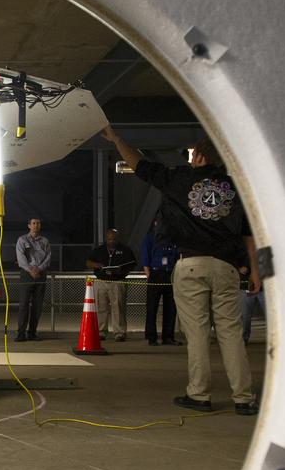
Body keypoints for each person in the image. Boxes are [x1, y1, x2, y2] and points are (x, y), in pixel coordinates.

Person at [102, 127, 261, 415]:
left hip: (190, 265)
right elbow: (249, 234)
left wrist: (116, 139)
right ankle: (244, 398)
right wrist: (255, 272)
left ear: (198, 155)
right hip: (226, 268)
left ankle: (200, 394)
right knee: (230, 333)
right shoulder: (235, 188)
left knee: (197, 333)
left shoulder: (179, 179)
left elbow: (140, 165)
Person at [86, 228, 136, 341]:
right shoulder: (99, 250)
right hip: (101, 282)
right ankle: (101, 331)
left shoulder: (125, 250)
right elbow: (88, 262)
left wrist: (121, 270)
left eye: (113, 239)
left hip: (117, 282)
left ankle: (119, 333)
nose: (111, 241)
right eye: (109, 239)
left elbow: (132, 263)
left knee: (118, 307)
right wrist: (96, 265)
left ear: (117, 238)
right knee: (101, 307)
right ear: (106, 238)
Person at [140, 216, 180, 346]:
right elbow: (145, 257)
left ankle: (168, 336)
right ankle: (151, 337)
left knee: (171, 307)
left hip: (170, 273)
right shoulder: (150, 238)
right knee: (152, 307)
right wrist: (149, 275)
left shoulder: (172, 238)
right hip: (155, 273)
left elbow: (177, 256)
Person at [14, 217, 52, 342]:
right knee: (24, 304)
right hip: (26, 274)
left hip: (40, 274)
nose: (36, 225)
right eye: (34, 223)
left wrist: (39, 269)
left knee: (37, 305)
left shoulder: (45, 241)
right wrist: (31, 270)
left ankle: (32, 332)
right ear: (29, 226)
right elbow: (21, 258)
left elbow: (48, 257)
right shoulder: (22, 240)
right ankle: (21, 333)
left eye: (38, 223)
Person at [239, 263, 266, 343]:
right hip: (248, 287)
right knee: (245, 315)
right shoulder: (244, 253)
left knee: (270, 314)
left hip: (262, 287)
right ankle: (244, 338)